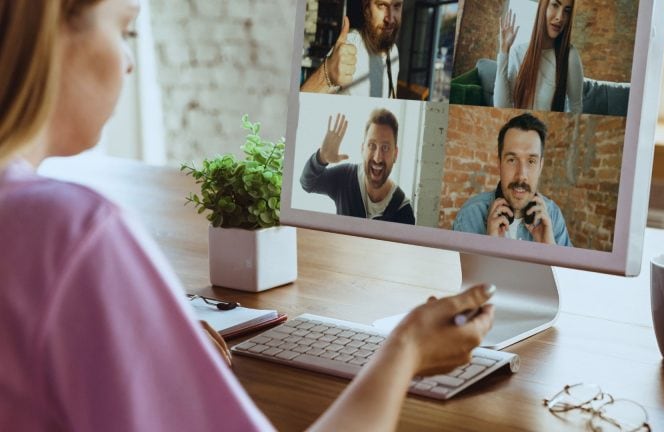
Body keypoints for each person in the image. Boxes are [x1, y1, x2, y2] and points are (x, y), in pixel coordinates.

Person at [0, 1, 494, 431]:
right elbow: (310, 179)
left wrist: (145, 347)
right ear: (48, 35)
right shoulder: (71, 234)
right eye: (124, 28)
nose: (129, 62)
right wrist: (405, 351)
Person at [453, 113, 572, 246]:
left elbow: (568, 267)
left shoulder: (554, 216)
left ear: (540, 166)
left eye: (531, 161)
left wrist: (550, 248)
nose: (521, 175)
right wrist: (490, 246)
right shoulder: (470, 215)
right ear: (499, 163)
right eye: (512, 160)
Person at [300, 109, 415, 224]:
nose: (377, 158)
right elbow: (308, 184)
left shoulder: (404, 212)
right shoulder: (345, 177)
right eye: (372, 145)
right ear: (362, 149)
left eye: (385, 147)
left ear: (395, 154)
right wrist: (321, 158)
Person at [493, 0, 584, 113]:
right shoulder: (518, 52)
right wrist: (504, 50)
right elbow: (501, 108)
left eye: (567, 11)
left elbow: (575, 107)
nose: (560, 17)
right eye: (555, 5)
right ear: (543, 7)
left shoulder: (570, 55)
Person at [301, 0, 403, 98]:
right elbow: (298, 106)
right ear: (366, 7)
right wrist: (327, 72)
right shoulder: (349, 46)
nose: (390, 19)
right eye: (382, 5)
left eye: (397, 6)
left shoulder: (393, 52)